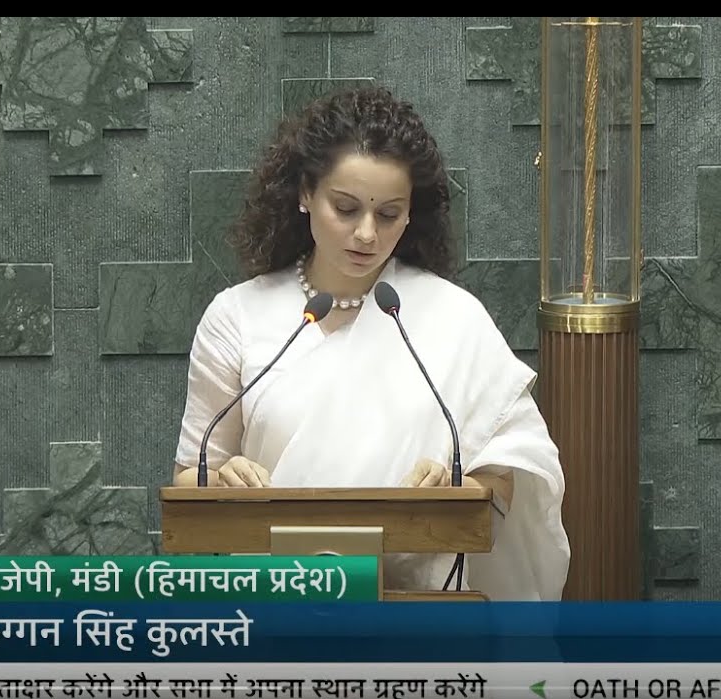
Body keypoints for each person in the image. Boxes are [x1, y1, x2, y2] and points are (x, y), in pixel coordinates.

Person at [172, 85, 570, 601]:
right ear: (305, 194)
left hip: (417, 618)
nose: (366, 234)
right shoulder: (237, 317)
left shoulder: (450, 316)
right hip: (275, 606)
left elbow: (509, 474)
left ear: (410, 214)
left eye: (388, 214)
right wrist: (225, 477)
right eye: (346, 208)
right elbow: (189, 477)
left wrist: (456, 485)